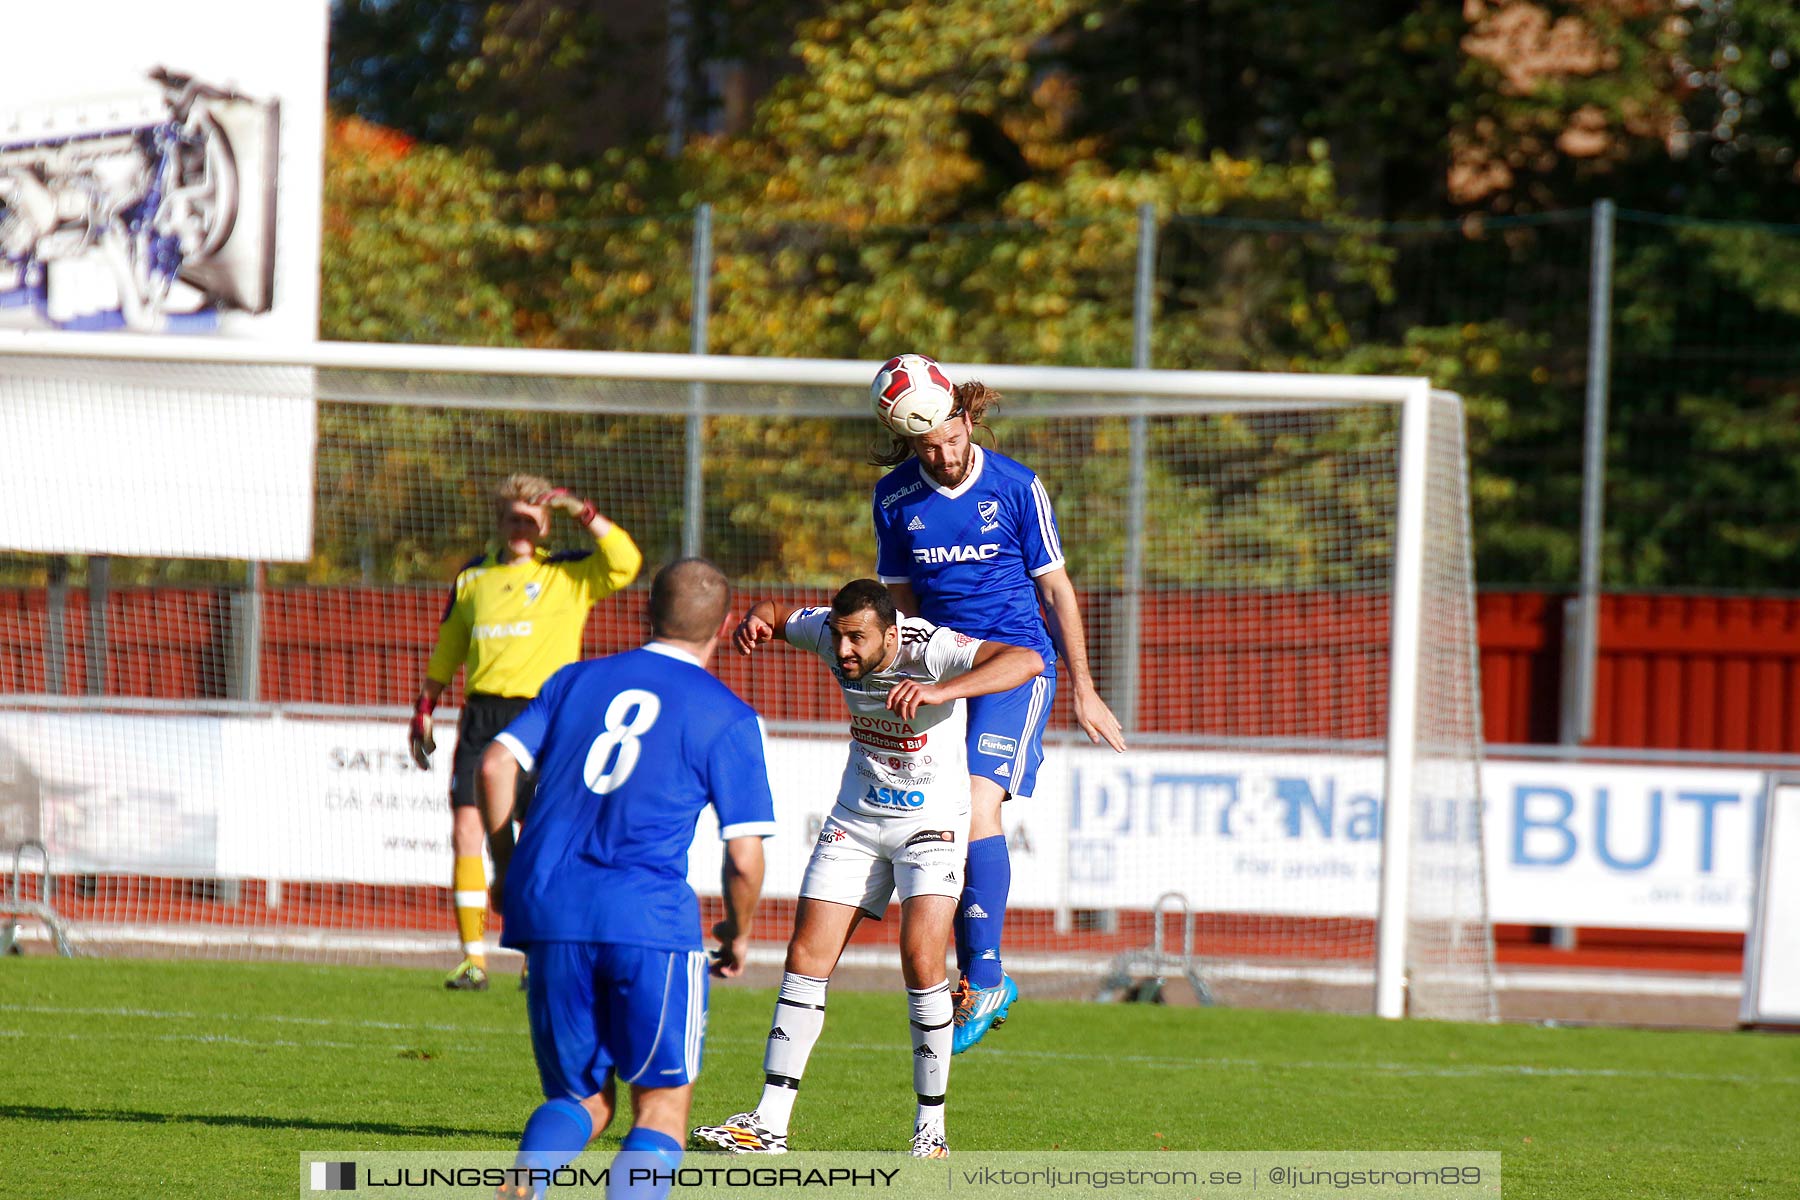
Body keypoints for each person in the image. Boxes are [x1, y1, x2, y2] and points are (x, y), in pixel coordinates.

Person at [690, 579, 1043, 1159]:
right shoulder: (828, 635)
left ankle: (930, 1132)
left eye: (858, 638)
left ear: (892, 633)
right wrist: (757, 618)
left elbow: (1025, 660)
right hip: (856, 819)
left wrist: (941, 692)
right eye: (839, 636)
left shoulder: (931, 649)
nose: (845, 650)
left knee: (921, 958)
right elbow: (777, 612)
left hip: (930, 824)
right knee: (805, 956)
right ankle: (768, 1123)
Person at [478, 558, 772, 1200]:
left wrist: (506, 865)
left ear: (645, 612)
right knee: (661, 1109)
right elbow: (745, 856)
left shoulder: (575, 680)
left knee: (581, 1099)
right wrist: (739, 931)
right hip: (646, 920)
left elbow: (497, 762)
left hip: (549, 910)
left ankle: (520, 1190)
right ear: (725, 625)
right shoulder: (727, 715)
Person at [868, 353, 1127, 1053]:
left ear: (967, 416)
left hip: (1018, 666)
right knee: (948, 820)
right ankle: (968, 974)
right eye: (929, 447)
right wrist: (905, 675)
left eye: (952, 439)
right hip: (945, 670)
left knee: (979, 804)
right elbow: (901, 604)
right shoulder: (894, 500)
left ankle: (985, 975)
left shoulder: (1015, 486)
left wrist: (1086, 688)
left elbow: (1056, 590)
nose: (945, 457)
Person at [408, 472, 642, 992]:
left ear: (544, 525)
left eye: (532, 519)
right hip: (482, 715)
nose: (521, 527)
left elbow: (627, 562)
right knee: (466, 829)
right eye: (513, 517)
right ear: (500, 518)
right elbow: (451, 642)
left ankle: (537, 954)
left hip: (546, 716)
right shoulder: (472, 577)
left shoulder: (568, 574)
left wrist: (578, 506)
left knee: (541, 836)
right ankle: (474, 960)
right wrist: (426, 702)